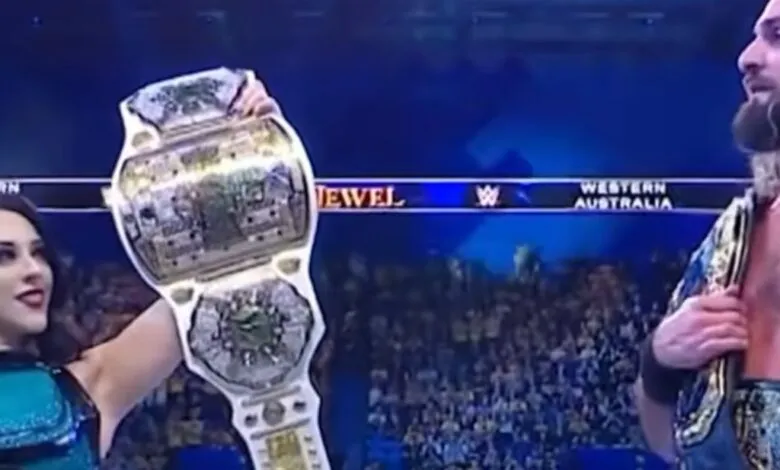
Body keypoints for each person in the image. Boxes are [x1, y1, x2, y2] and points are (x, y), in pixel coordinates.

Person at [0, 74, 281, 468]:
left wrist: (250, 153)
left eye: (39, 254)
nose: (34, 270)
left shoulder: (85, 390)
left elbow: (214, 281)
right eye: (4, 256)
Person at [634, 1, 780, 468]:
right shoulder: (733, 236)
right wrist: (657, 364)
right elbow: (666, 445)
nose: (747, 57)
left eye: (778, 35)